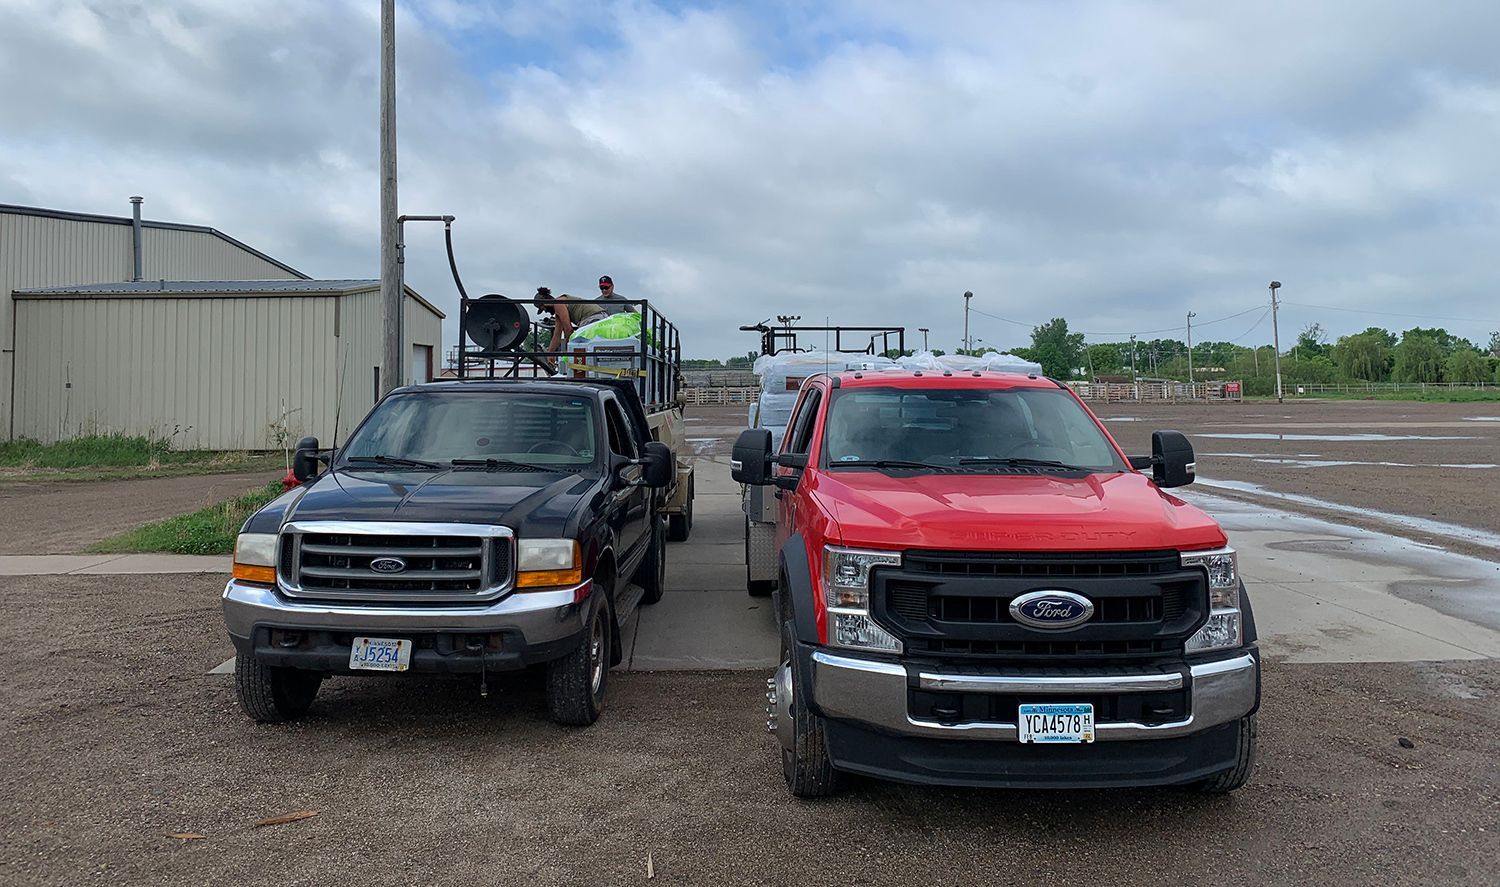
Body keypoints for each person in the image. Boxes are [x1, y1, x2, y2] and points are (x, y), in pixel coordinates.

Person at [534, 287, 605, 361]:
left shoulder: (558, 303)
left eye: (543, 308)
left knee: (583, 350)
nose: (545, 312)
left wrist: (568, 352)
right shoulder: (558, 308)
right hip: (599, 317)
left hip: (593, 319)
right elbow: (556, 335)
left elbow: (569, 330)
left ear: (545, 303)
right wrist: (550, 354)